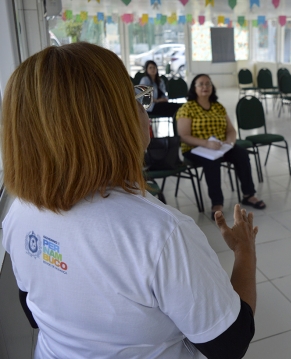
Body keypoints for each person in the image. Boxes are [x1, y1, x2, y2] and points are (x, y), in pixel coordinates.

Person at [2, 43, 257, 359]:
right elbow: (230, 343)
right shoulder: (161, 234)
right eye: (134, 98)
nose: (144, 107)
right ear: (107, 123)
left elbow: (33, 309)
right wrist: (245, 251)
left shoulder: (18, 214)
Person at [177, 74, 266, 219]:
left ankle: (249, 194)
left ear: (212, 87)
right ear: (194, 88)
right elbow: (184, 136)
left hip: (218, 147)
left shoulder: (218, 107)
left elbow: (231, 130)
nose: (205, 87)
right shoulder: (187, 108)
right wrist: (206, 143)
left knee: (241, 154)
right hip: (195, 148)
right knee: (211, 162)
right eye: (201, 84)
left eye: (208, 84)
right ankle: (217, 203)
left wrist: (229, 142)